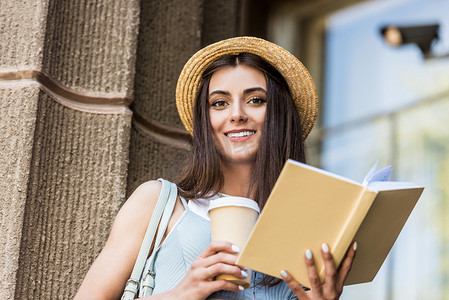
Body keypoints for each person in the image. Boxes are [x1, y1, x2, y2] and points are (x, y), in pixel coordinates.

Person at [75, 37, 356, 300]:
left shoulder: (305, 233)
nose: (237, 114)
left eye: (256, 100)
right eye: (219, 103)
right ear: (205, 120)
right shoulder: (160, 203)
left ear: (279, 115)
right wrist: (184, 292)